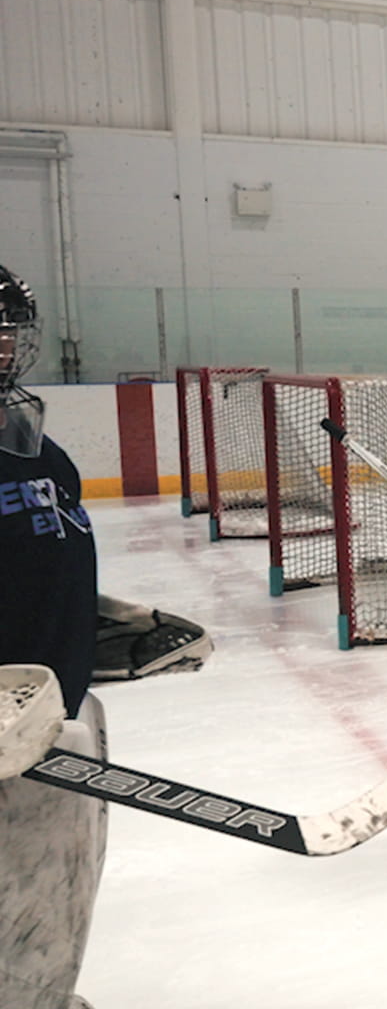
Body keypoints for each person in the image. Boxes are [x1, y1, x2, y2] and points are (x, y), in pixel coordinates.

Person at [0, 262, 109, 1009]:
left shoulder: (38, 446)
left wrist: (95, 616)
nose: (3, 347)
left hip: (48, 716)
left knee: (47, 895)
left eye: (8, 332)